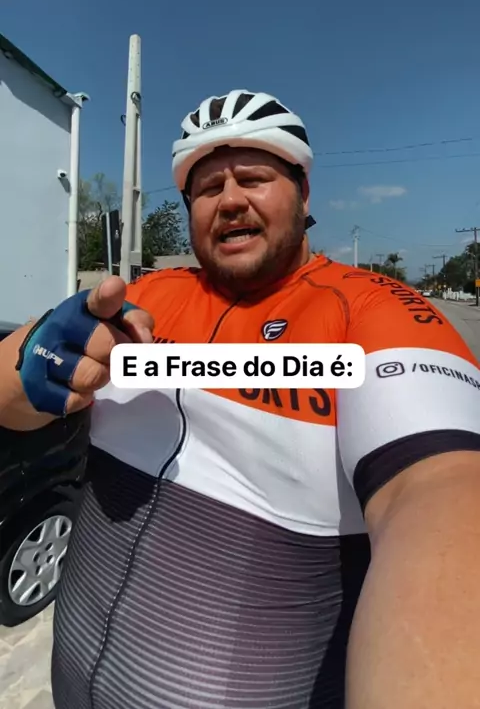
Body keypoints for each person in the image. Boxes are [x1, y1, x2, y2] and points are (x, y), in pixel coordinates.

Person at [1, 89, 480, 709]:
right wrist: (36, 358)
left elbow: (444, 491)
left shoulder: (369, 310)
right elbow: (12, 402)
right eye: (208, 188)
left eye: (253, 178)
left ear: (304, 193)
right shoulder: (141, 299)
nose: (229, 200)